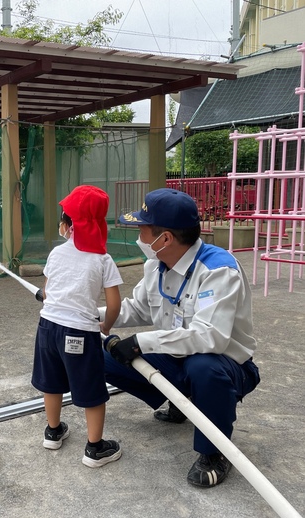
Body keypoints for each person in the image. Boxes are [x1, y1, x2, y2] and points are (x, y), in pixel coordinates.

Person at [101, 188, 261, 487]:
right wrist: (88, 315)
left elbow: (210, 338)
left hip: (226, 365)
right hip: (177, 356)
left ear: (165, 239)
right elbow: (138, 309)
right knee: (102, 358)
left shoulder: (218, 270)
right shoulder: (156, 265)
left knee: (204, 369)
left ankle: (214, 452)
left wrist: (140, 343)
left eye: (143, 229)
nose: (139, 236)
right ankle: (181, 398)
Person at [32, 185, 123, 468]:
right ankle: (95, 449)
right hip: (80, 334)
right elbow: (114, 303)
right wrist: (105, 325)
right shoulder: (103, 259)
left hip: (47, 327)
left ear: (69, 225)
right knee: (91, 388)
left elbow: (47, 293)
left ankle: (53, 431)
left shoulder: (56, 254)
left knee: (52, 380)